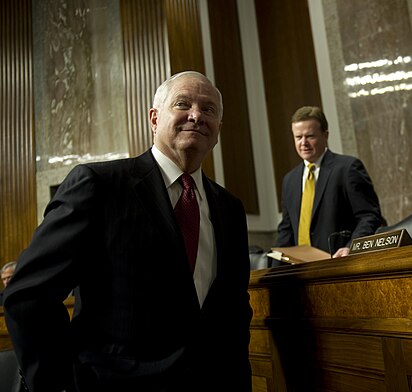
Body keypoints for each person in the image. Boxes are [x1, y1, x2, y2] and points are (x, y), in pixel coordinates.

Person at [3, 71, 253, 391]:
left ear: (218, 129)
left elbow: (234, 309)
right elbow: (28, 295)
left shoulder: (229, 208)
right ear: (154, 118)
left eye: (208, 110)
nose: (196, 115)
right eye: (182, 104)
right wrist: (59, 383)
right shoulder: (99, 185)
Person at [276, 106, 383, 257]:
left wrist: (351, 247)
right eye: (298, 137)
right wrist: (272, 269)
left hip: (339, 263)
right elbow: (286, 230)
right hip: (300, 270)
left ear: (325, 135)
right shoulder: (289, 180)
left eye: (310, 136)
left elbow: (369, 216)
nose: (303, 143)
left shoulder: (348, 168)